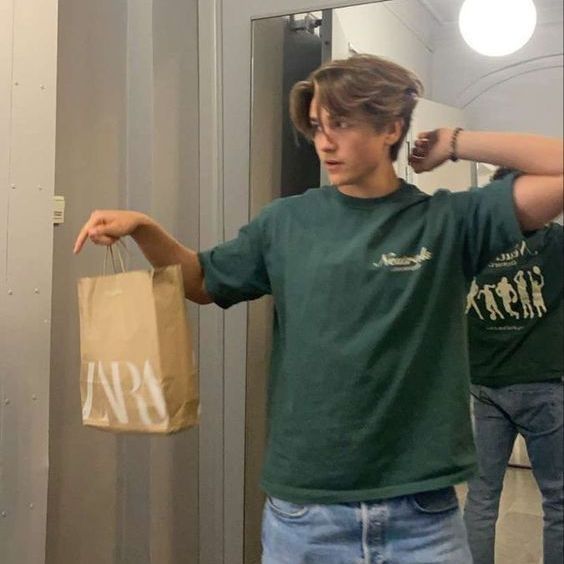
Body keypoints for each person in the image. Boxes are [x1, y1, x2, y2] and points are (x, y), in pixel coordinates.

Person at [74, 55, 564, 563]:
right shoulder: (286, 223)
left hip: (422, 516)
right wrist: (145, 230)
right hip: (307, 518)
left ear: (391, 127)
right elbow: (199, 280)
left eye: (342, 124)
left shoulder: (448, 222)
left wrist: (456, 142)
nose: (324, 142)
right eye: (316, 126)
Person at [463, 167, 563, 564]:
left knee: (482, 497)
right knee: (557, 498)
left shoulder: (472, 247)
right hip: (543, 385)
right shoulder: (555, 243)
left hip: (484, 385)